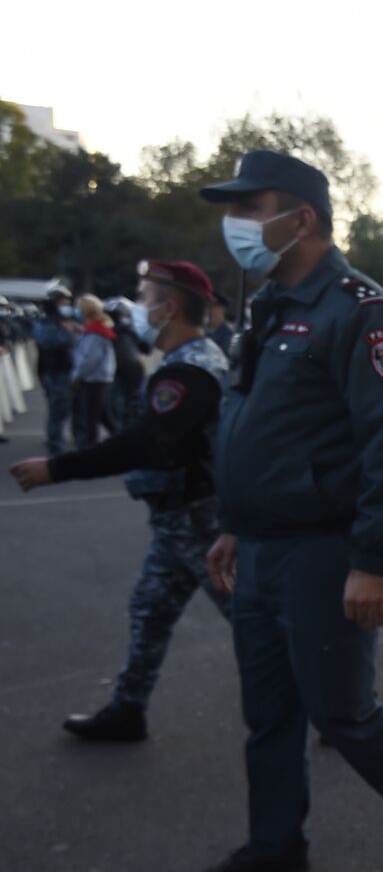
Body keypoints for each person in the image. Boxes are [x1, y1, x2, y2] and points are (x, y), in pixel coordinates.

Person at [188, 150, 383, 872]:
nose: (236, 224)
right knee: (269, 712)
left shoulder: (360, 311)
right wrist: (232, 522)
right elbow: (257, 426)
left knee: (341, 712)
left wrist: (374, 561)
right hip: (260, 545)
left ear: (301, 219)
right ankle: (275, 841)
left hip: (322, 549)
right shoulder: (272, 306)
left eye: (250, 208)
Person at [9, 260, 231, 740]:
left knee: (258, 624)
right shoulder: (186, 362)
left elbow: (149, 443)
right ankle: (128, 709)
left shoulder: (191, 371)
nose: (135, 307)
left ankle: (336, 708)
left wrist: (57, 468)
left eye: (144, 297)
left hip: (200, 524)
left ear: (169, 309)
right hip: (177, 522)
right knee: (150, 610)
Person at [33, 288, 78, 455]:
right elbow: (48, 342)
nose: (66, 305)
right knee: (58, 410)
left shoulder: (64, 321)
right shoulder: (45, 323)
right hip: (55, 372)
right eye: (62, 302)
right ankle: (55, 445)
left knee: (66, 409)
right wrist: (67, 332)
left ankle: (61, 442)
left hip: (67, 370)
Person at [71, 293, 119, 449]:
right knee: (104, 416)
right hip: (101, 377)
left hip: (95, 378)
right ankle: (122, 444)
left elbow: (90, 358)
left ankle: (89, 448)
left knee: (90, 418)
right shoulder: (99, 328)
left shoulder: (95, 331)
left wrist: (77, 376)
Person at [107, 298, 151, 430]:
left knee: (131, 407)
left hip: (132, 373)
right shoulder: (110, 332)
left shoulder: (130, 331)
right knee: (119, 407)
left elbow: (147, 348)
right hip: (118, 373)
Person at [208, 290, 235, 354]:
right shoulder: (205, 331)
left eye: (213, 306)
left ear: (222, 309)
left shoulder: (228, 334)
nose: (210, 310)